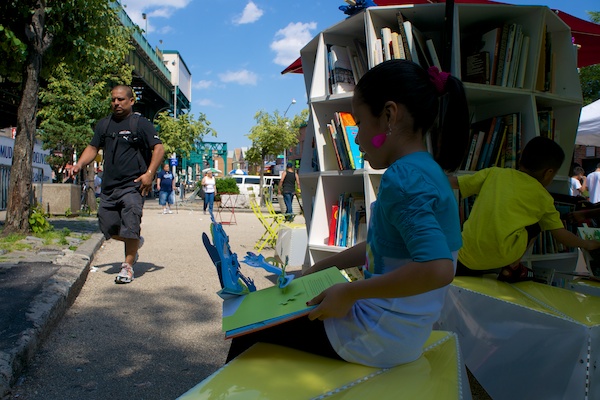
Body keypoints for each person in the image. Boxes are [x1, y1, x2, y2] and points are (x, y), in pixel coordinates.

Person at [227, 60, 470, 368]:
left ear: (389, 116)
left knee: (249, 330)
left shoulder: (404, 179)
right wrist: (322, 267)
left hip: (376, 336)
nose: (356, 139)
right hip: (397, 333)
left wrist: (351, 292)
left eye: (359, 123)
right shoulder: (427, 171)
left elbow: (437, 269)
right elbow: (381, 246)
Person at [449, 136, 600, 282]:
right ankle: (512, 267)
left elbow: (455, 183)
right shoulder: (543, 197)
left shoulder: (494, 174)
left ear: (521, 159)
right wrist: (586, 244)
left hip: (465, 255)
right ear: (548, 173)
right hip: (502, 257)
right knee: (536, 225)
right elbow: (560, 234)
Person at [73, 85, 164, 284]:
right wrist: (79, 163)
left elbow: (158, 148)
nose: (116, 103)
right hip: (109, 186)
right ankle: (135, 242)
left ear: (131, 101)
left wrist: (149, 174)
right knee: (108, 228)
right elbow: (93, 147)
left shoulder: (141, 124)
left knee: (130, 223)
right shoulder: (104, 125)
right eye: (114, 99)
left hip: (133, 185)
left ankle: (127, 267)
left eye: (121, 99)